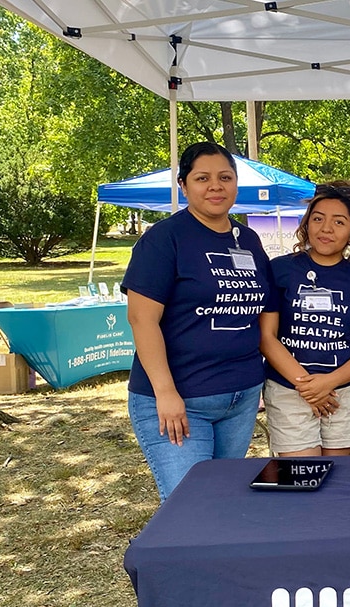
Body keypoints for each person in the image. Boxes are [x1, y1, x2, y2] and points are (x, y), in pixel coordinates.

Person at [123, 142, 272, 501]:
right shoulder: (164, 239)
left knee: (223, 500)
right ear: (183, 185)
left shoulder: (248, 240)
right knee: (189, 506)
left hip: (240, 399)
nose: (215, 186)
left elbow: (262, 309)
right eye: (202, 178)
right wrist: (166, 393)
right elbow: (142, 320)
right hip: (181, 400)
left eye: (225, 177)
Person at [260, 182, 350, 457]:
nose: (326, 228)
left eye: (339, 222)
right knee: (302, 474)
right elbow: (266, 337)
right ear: (306, 224)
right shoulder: (280, 269)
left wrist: (328, 383)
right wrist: (308, 386)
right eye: (318, 219)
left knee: (336, 476)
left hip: (345, 392)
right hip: (289, 389)